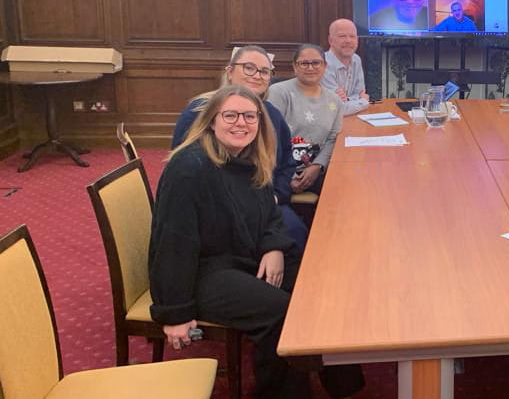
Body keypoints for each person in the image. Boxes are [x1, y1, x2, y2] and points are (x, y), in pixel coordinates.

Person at [151, 84, 364, 399]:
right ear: (212, 121)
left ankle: (343, 386)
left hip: (245, 254)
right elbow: (173, 244)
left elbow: (270, 213)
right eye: (231, 115)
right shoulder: (189, 168)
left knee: (319, 285)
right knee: (281, 313)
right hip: (202, 273)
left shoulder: (250, 157)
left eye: (250, 116)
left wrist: (273, 245)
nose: (241, 123)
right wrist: (175, 313)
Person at [171, 45, 308, 250]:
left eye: (264, 71)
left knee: (296, 235)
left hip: (267, 203)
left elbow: (286, 164)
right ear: (230, 71)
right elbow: (184, 170)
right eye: (249, 68)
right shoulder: (199, 111)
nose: (257, 75)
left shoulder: (272, 114)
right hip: (218, 210)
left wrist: (276, 196)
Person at [268, 44, 343, 197]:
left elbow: (333, 139)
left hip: (317, 170)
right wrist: (289, 176)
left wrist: (317, 166)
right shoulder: (278, 93)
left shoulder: (335, 100)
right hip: (279, 172)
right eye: (304, 63)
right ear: (295, 66)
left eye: (316, 63)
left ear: (325, 66)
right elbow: (270, 138)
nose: (310, 68)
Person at [321, 18, 369, 116]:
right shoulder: (321, 63)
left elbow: (360, 93)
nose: (348, 41)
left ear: (357, 40)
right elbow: (335, 108)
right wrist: (363, 102)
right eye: (342, 36)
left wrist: (346, 99)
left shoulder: (356, 59)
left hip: (353, 118)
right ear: (330, 40)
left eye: (352, 36)